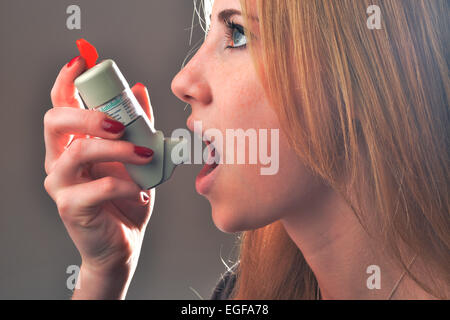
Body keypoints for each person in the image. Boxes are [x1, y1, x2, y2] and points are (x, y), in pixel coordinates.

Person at [43, 0, 449, 299]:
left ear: (360, 75)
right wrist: (104, 273)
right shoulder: (240, 297)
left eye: (236, 34)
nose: (182, 81)